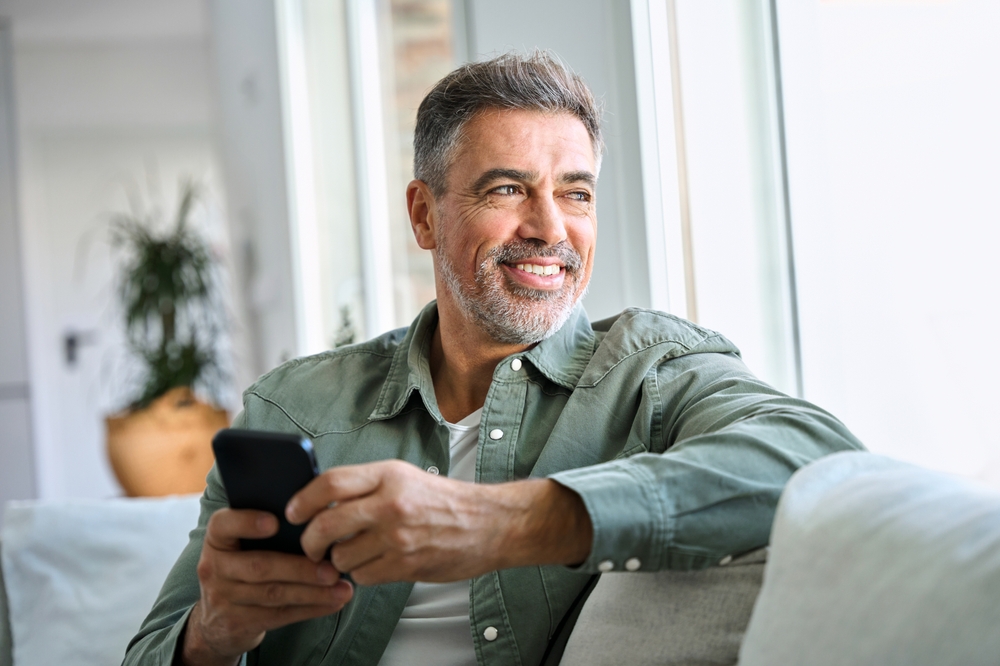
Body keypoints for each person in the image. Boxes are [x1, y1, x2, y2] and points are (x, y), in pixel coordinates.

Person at [124, 51, 863, 666]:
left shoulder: (653, 373)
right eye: (508, 189)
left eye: (576, 194)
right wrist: (212, 634)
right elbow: (154, 649)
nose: (551, 229)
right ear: (424, 215)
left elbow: (821, 459)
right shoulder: (294, 407)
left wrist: (497, 523)